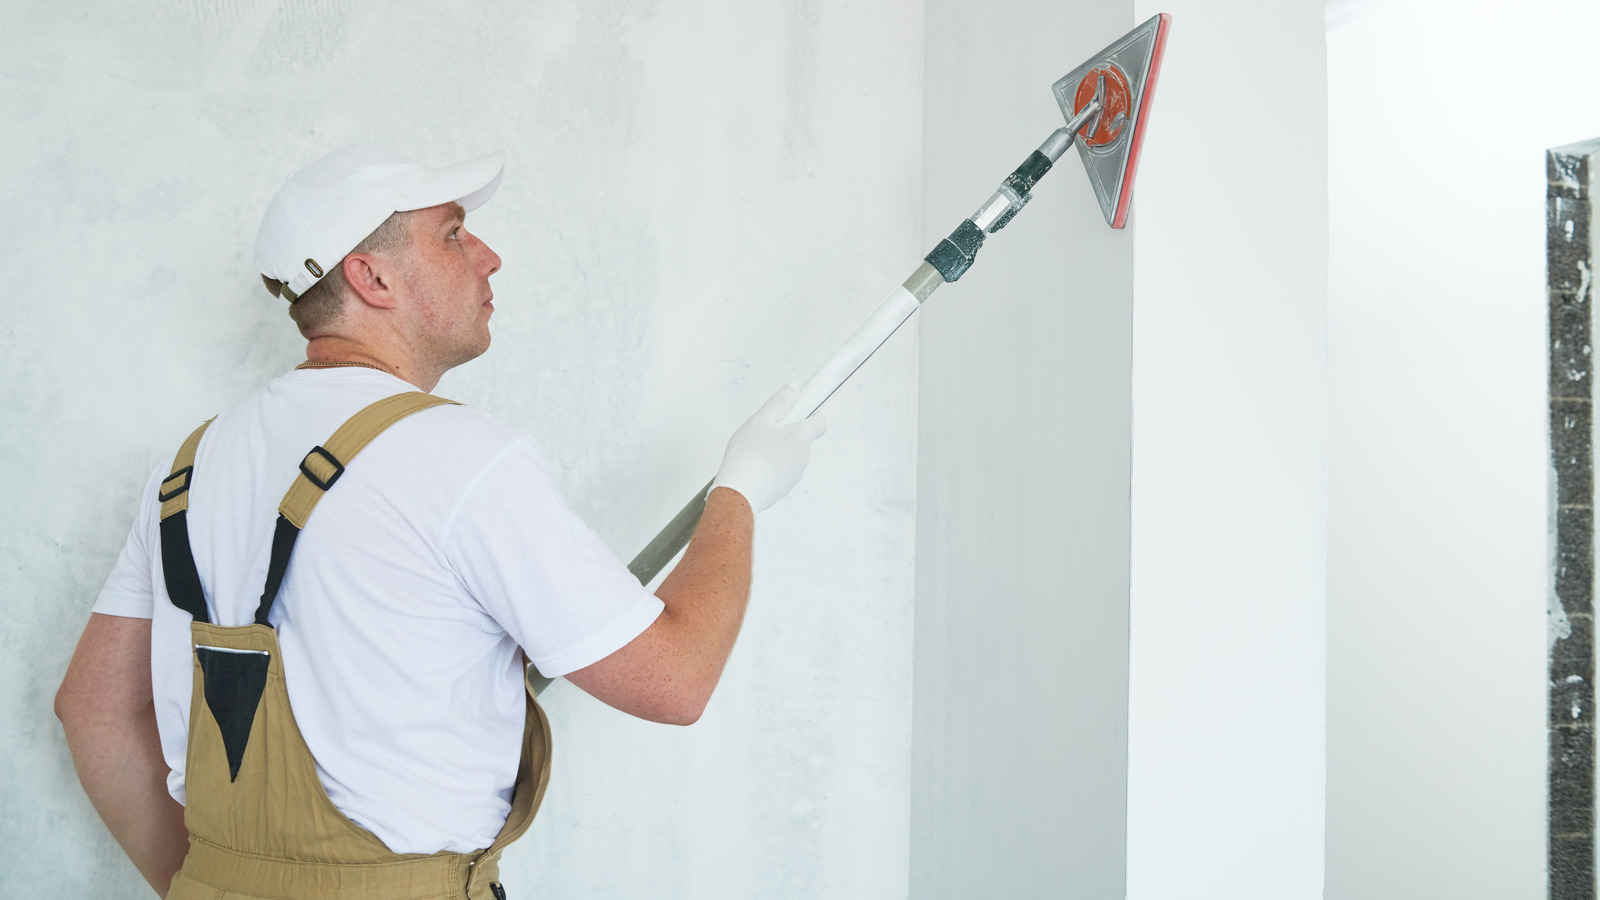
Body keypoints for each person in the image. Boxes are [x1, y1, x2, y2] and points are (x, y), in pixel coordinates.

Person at [53, 144, 827, 899]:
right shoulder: (460, 456)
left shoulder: (190, 464)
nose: (489, 257)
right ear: (372, 275)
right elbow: (675, 680)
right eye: (453, 233)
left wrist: (206, 886)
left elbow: (89, 705)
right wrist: (742, 491)